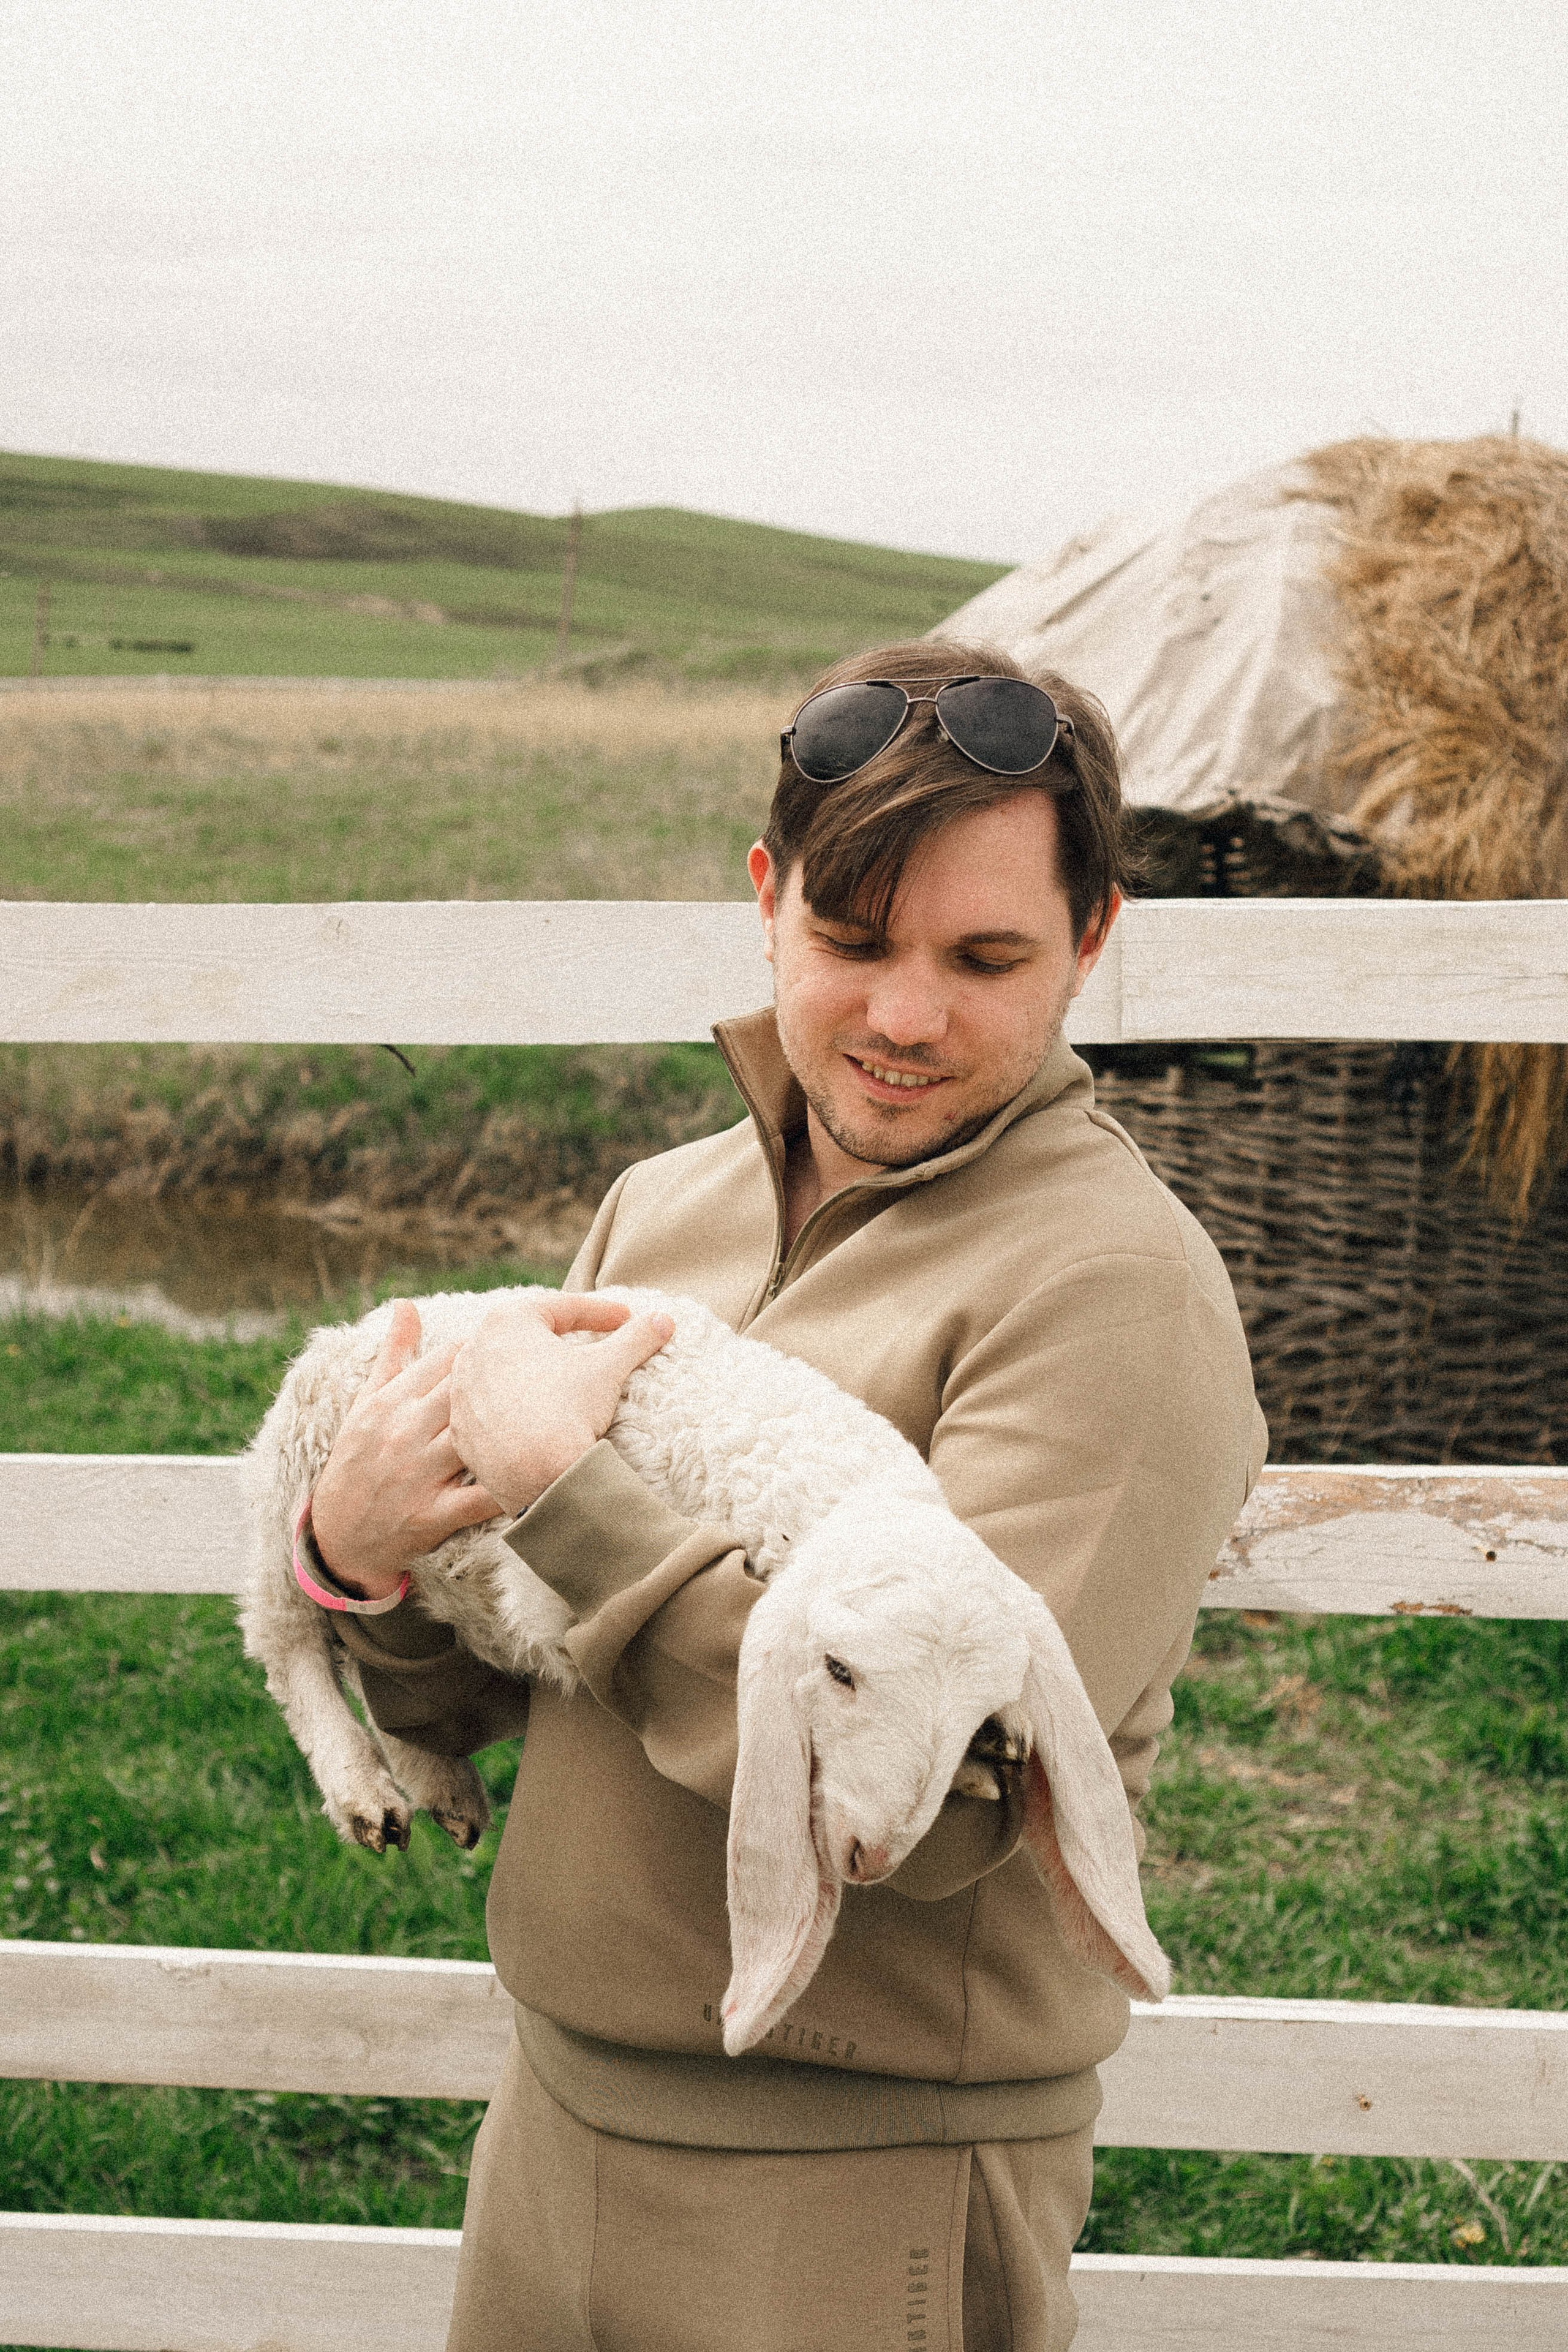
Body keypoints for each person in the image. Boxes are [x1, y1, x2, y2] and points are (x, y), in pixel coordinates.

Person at [299, 639, 1265, 2352]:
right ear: (767, 897)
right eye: (850, 937)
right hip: (554, 2118)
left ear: (1095, 939)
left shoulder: (1115, 1290)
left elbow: (943, 1815)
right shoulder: (659, 1210)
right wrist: (362, 1572)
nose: (905, 1015)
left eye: (986, 957)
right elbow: (504, 1681)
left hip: (852, 2183)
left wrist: (558, 1488)